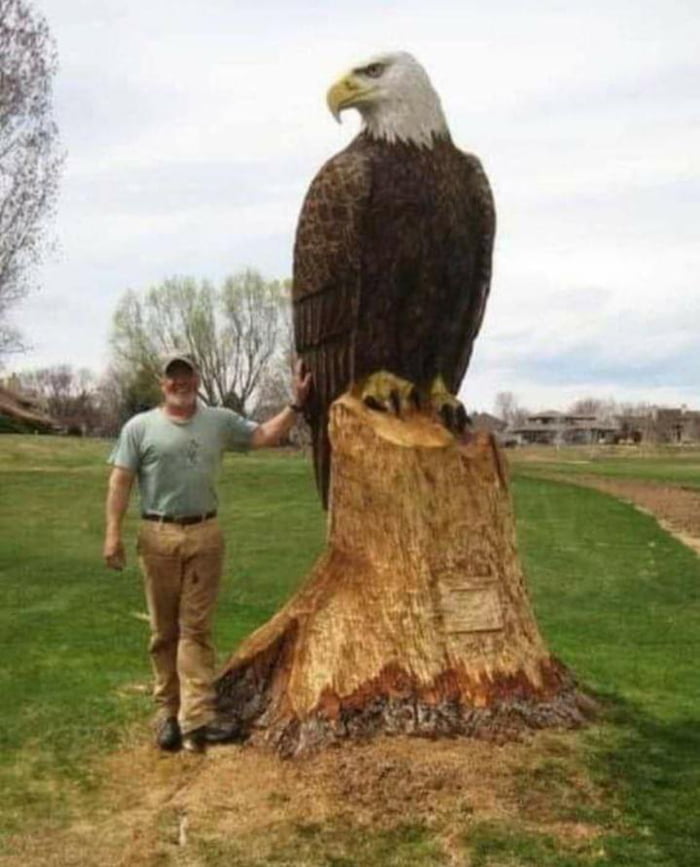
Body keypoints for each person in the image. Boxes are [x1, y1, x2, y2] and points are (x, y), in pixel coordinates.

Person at [103, 353, 311, 753]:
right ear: (161, 382)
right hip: (157, 534)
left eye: (187, 375)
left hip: (205, 534)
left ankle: (196, 719)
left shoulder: (218, 420)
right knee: (164, 631)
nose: (180, 383)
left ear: (197, 378)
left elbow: (264, 435)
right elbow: (120, 482)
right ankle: (168, 714)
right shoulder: (140, 427)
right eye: (172, 377)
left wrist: (296, 404)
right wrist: (112, 534)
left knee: (196, 629)